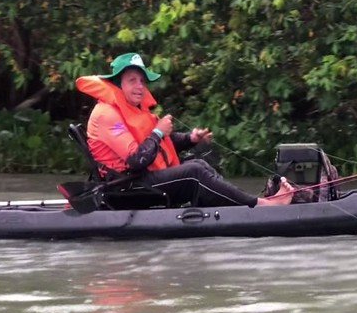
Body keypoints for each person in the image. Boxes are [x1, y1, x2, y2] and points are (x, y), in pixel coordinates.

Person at [75, 52, 294, 207]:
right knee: (194, 172)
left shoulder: (132, 110)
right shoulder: (106, 114)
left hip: (141, 180)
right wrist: (158, 131)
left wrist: (191, 138)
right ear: (116, 85)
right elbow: (136, 160)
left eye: (142, 80)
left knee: (198, 163)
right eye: (132, 80)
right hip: (125, 187)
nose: (140, 86)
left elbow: (158, 146)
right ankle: (261, 205)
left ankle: (236, 205)